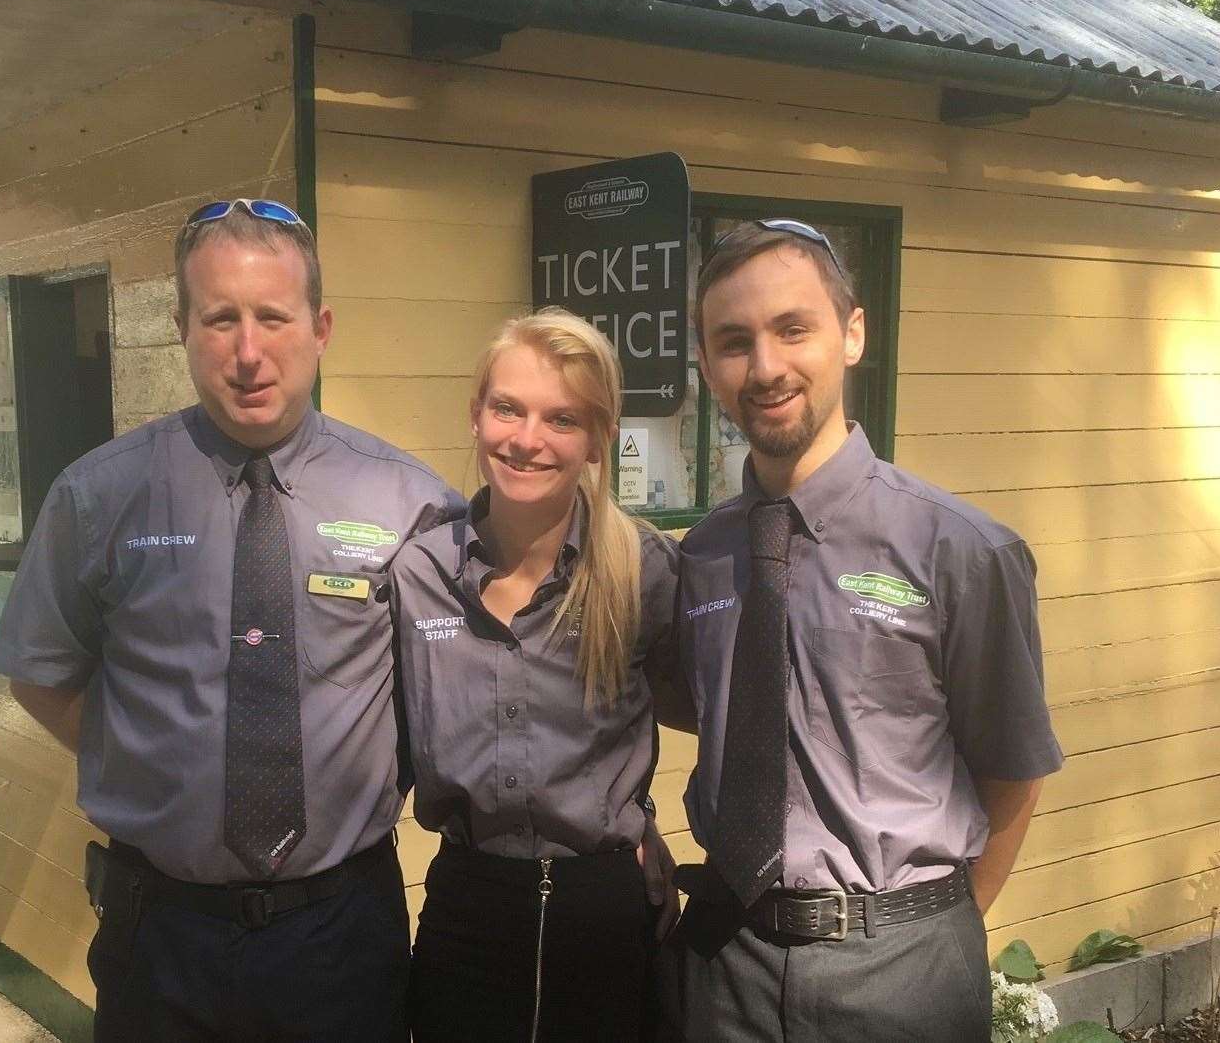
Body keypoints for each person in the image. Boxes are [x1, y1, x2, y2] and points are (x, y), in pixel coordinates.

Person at [0, 198, 461, 1042]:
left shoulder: (411, 503)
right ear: (181, 325)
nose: (249, 352)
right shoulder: (100, 496)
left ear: (320, 326)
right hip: (161, 931)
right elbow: (38, 671)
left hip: (340, 933)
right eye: (220, 319)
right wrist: (157, 766)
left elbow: (455, 688)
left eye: (273, 317)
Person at [670, 219, 1063, 1042]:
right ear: (706, 366)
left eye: (792, 328)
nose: (766, 366)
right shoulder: (706, 554)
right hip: (724, 967)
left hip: (899, 971)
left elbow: (1012, 773)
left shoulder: (958, 550)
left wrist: (925, 929)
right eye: (734, 341)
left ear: (851, 333)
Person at [389, 309, 689, 1042]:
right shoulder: (417, 574)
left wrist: (647, 825)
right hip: (468, 911)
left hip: (609, 916)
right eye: (508, 408)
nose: (527, 439)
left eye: (562, 418)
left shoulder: (644, 572)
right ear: (475, 414)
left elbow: (712, 708)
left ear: (599, 438)